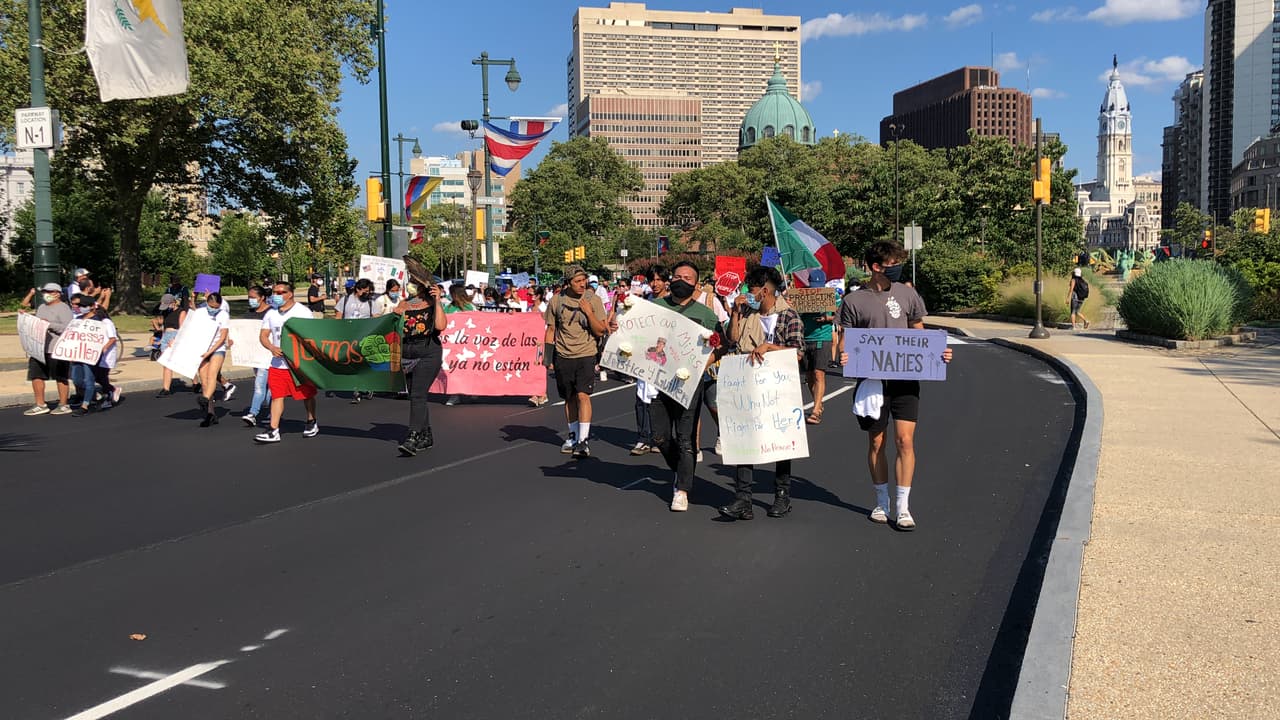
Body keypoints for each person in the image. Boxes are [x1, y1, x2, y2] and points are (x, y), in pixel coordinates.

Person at [838, 242, 953, 531]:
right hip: (872, 381)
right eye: (893, 262)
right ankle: (881, 500)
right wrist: (844, 355)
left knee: (905, 441)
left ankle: (903, 507)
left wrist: (937, 353)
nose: (897, 266)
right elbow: (847, 339)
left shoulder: (907, 294)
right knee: (876, 441)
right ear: (877, 266)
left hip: (905, 380)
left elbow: (919, 333)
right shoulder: (854, 302)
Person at [720, 266, 805, 519]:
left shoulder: (789, 316)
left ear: (765, 290)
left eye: (752, 289)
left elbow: (797, 353)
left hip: (777, 386)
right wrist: (735, 312)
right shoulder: (746, 312)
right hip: (746, 382)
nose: (748, 293)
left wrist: (769, 347)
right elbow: (733, 340)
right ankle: (742, 499)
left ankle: (782, 495)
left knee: (780, 440)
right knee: (743, 439)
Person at [649, 260, 725, 512]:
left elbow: (721, 344)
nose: (681, 280)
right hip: (659, 382)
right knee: (659, 436)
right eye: (677, 276)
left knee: (685, 438)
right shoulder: (655, 306)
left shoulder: (706, 314)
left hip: (689, 385)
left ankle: (681, 489)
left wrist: (706, 363)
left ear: (696, 285)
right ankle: (684, 469)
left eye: (688, 278)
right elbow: (637, 335)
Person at [545, 265, 608, 459]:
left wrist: (588, 313)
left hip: (586, 354)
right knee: (569, 397)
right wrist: (548, 357)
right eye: (577, 281)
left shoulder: (593, 300)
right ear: (568, 283)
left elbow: (601, 330)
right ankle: (572, 436)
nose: (582, 284)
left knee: (583, 395)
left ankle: (583, 440)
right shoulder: (556, 301)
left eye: (584, 280)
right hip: (564, 355)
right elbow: (550, 330)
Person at [254, 282, 319, 443]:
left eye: (281, 292)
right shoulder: (271, 314)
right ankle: (273, 430)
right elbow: (263, 336)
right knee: (277, 396)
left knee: (307, 395)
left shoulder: (303, 312)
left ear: (290, 294)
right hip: (277, 364)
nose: (276, 295)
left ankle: (311, 421)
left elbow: (311, 336)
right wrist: (271, 347)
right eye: (274, 292)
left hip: (298, 364)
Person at [395, 280, 447, 455]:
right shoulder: (404, 303)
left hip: (428, 352)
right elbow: (394, 326)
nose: (411, 285)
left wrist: (438, 301)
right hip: (407, 353)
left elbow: (441, 326)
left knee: (418, 394)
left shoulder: (432, 304)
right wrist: (395, 314)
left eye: (415, 283)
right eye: (410, 282)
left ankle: (413, 436)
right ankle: (426, 435)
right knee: (415, 395)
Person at [20, 283, 73, 416]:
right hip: (38, 347)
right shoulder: (42, 307)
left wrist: (49, 325)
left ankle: (63, 404)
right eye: (44, 291)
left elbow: (68, 328)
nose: (46, 294)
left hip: (56, 348)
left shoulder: (64, 308)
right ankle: (40, 404)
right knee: (36, 375)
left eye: (49, 291)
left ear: (58, 293)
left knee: (60, 376)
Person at [799, 293, 837, 424]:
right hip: (805, 339)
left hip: (822, 338)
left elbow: (841, 314)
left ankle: (815, 411)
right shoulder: (802, 295)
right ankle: (818, 402)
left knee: (818, 373)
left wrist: (828, 318)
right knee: (809, 377)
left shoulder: (830, 295)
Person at [195, 292, 231, 427]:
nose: (213, 310)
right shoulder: (200, 313)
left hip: (217, 349)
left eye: (216, 307)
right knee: (204, 381)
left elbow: (223, 336)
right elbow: (189, 329)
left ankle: (204, 398)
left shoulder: (223, 315)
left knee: (212, 375)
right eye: (211, 307)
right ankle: (211, 413)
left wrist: (210, 351)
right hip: (202, 348)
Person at [239, 286, 273, 427]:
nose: (250, 300)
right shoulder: (249, 314)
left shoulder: (271, 313)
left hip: (267, 354)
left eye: (253, 297)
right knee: (267, 386)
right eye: (249, 297)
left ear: (262, 297)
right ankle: (272, 410)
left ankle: (253, 413)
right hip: (254, 355)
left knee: (259, 385)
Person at [85, 301, 122, 411]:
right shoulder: (95, 323)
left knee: (102, 376)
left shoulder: (106, 322)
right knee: (96, 376)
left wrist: (104, 348)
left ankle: (108, 396)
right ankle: (110, 390)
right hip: (97, 355)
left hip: (106, 355)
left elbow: (112, 338)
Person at [155, 294, 186, 397]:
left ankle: (196, 382)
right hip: (166, 337)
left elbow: (182, 329)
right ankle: (166, 388)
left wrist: (175, 339)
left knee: (183, 362)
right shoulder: (166, 312)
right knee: (166, 364)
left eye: (168, 305)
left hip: (175, 336)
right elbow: (165, 326)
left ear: (173, 303)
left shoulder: (181, 312)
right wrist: (162, 339)